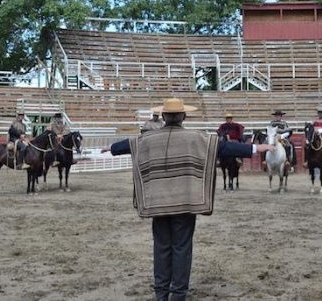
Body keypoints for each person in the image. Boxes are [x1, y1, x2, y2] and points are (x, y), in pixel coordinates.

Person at [101, 98, 275, 301]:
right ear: (184, 116)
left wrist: (111, 148)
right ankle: (178, 295)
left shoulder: (148, 138)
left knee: (161, 247)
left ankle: (161, 294)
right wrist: (254, 149)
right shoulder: (197, 137)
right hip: (185, 202)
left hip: (157, 203)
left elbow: (128, 145)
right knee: (182, 248)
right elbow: (224, 148)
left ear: (164, 117)